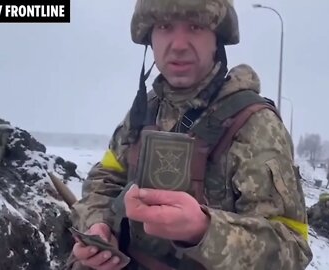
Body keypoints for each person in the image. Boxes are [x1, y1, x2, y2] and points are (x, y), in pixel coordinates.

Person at [66, 0, 313, 269]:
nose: (179, 45)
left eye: (195, 27)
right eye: (165, 27)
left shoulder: (254, 123)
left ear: (217, 39)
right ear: (150, 37)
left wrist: (204, 230)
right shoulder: (146, 110)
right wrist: (99, 226)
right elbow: (105, 180)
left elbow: (293, 249)